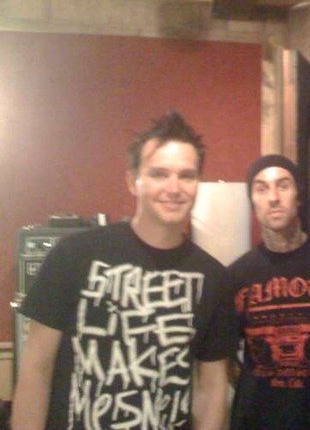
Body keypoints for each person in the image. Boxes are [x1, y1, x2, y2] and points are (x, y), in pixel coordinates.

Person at [11, 112, 236, 429]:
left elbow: (211, 389)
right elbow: (36, 367)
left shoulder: (213, 278)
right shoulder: (74, 255)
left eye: (186, 176)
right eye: (159, 174)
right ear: (133, 181)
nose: (174, 188)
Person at [228, 154, 310, 429]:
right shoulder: (236, 275)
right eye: (261, 188)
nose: (273, 198)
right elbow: (222, 356)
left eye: (283, 185)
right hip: (256, 420)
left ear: (298, 196)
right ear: (252, 202)